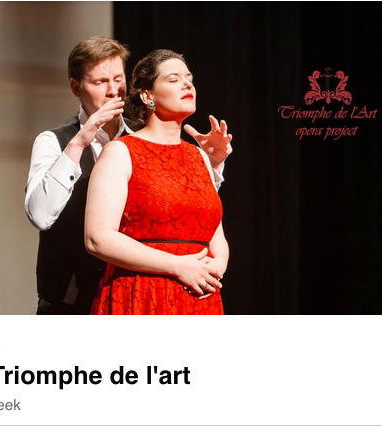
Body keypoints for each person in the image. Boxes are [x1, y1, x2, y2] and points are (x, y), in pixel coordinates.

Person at [25, 38, 229, 315]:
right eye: (100, 82)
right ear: (76, 87)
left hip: (172, 286)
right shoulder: (57, 141)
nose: (113, 91)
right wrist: (78, 145)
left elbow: (183, 215)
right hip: (78, 296)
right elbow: (41, 215)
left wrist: (211, 165)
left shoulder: (150, 140)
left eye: (118, 80)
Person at [85, 49, 233, 315]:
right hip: (142, 292)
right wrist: (177, 266)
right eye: (174, 79)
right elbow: (98, 238)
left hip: (199, 297)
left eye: (189, 79)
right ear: (147, 96)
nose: (187, 85)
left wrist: (218, 264)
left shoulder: (199, 156)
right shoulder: (121, 152)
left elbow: (214, 233)